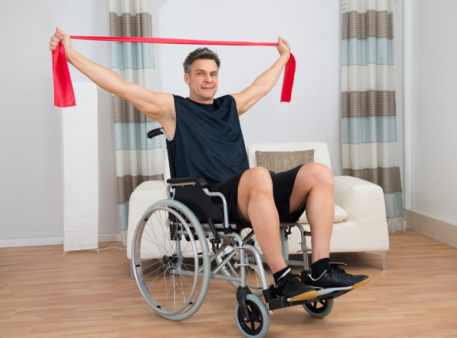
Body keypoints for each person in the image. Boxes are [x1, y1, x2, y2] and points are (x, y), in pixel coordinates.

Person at [49, 27, 370, 303]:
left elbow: (260, 86)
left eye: (213, 73)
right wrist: (72, 55)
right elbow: (120, 86)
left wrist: (283, 58)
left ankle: (319, 271)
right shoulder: (172, 109)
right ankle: (283, 279)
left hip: (254, 190)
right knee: (258, 175)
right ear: (187, 77)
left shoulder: (230, 105)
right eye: (200, 73)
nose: (208, 79)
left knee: (319, 172)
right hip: (214, 199)